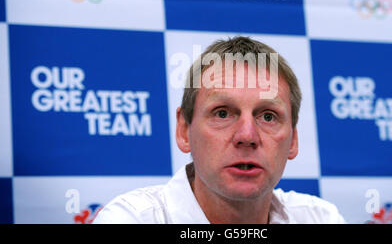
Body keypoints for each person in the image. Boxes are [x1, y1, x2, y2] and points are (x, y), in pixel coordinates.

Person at [94, 36, 345, 224]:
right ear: (184, 130)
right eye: (222, 113)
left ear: (293, 140)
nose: (247, 136)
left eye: (268, 116)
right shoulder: (131, 219)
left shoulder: (321, 219)